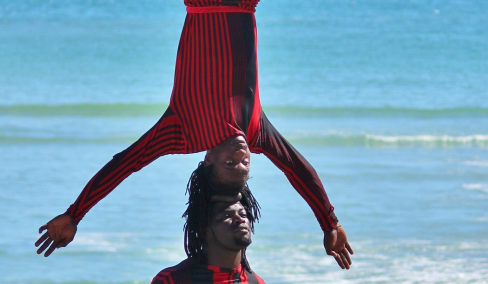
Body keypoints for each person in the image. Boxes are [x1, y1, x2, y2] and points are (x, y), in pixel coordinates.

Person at [35, 0, 353, 269]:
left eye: (230, 164)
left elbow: (124, 164)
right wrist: (330, 222)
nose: (242, 159)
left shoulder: (182, 131)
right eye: (244, 168)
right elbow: (298, 169)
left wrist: (75, 214)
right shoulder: (255, 131)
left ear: (207, 160)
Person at [132, 169, 268, 284]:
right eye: (226, 216)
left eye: (243, 214)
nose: (239, 219)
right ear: (206, 230)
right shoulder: (172, 283)